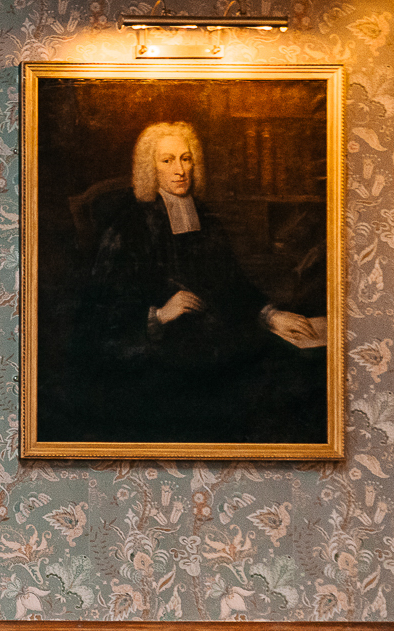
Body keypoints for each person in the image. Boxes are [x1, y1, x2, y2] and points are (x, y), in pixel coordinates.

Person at [66, 120, 325, 444]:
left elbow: (232, 281)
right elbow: (101, 315)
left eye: (185, 158)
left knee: (293, 371)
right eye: (167, 160)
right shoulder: (129, 227)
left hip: (214, 339)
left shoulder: (205, 218)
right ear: (151, 168)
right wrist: (157, 315)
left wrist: (271, 315)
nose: (179, 170)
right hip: (159, 355)